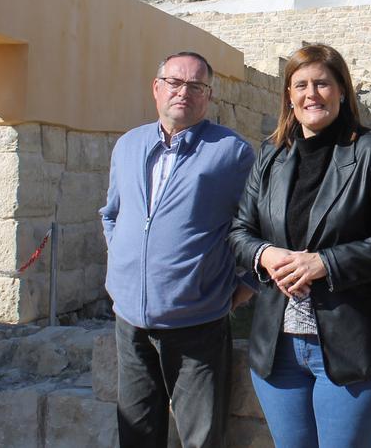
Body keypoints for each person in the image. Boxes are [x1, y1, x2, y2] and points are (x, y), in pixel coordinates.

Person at [230, 43, 371, 448]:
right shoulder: (271, 155)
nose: (312, 94)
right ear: (289, 97)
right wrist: (265, 254)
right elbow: (240, 231)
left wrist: (324, 263)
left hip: (352, 347)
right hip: (279, 350)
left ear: (342, 90)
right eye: (301, 85)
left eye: (323, 83)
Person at [101, 51, 256, 448]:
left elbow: (262, 225)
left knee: (201, 437)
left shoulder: (233, 153)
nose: (183, 92)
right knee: (136, 433)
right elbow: (112, 214)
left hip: (197, 323)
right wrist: (124, 267)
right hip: (130, 322)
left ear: (208, 95)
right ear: (157, 88)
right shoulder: (128, 145)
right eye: (174, 82)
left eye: (195, 86)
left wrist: (247, 283)